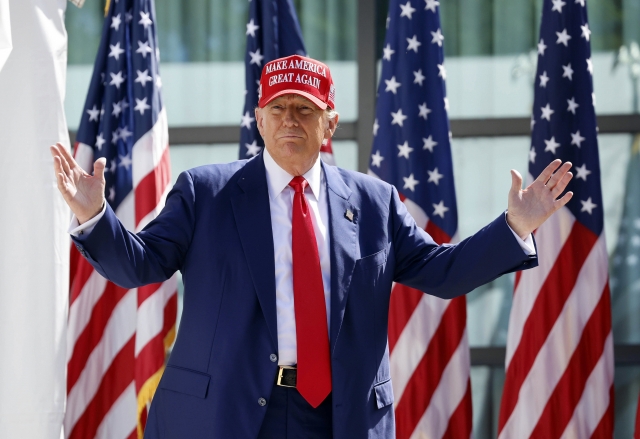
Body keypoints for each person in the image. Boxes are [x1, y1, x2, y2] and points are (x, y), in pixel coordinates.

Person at [50, 55, 573, 439]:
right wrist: (94, 216)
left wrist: (514, 225)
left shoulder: (374, 202)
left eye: (305, 109)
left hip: (337, 416)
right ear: (258, 118)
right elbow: (139, 265)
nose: (290, 121)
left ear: (330, 123)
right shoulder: (206, 192)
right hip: (224, 413)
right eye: (277, 109)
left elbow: (443, 272)